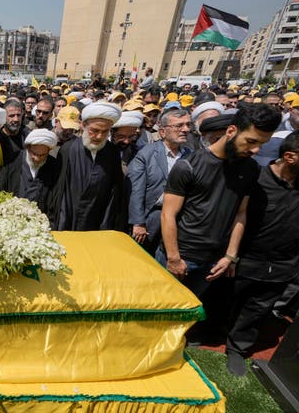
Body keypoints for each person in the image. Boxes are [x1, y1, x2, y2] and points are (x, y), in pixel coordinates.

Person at [158, 103, 282, 298]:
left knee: (192, 316)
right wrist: (174, 258)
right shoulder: (188, 166)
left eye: (261, 144)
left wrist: (230, 256)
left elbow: (240, 213)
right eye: (250, 141)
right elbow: (168, 214)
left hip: (214, 262)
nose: (256, 150)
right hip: (181, 258)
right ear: (231, 131)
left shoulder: (250, 168)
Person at [225, 133, 299, 376]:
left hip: (283, 264)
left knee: (258, 309)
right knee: (226, 302)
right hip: (245, 259)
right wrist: (231, 255)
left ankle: (237, 348)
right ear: (290, 157)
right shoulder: (256, 179)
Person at [127, 109, 192, 255]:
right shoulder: (147, 154)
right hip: (152, 217)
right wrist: (138, 222)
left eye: (188, 125)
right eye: (179, 126)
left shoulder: (191, 156)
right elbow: (136, 190)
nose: (185, 129)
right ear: (163, 132)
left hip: (180, 218)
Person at [57, 102, 124, 231]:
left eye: (105, 132)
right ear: (83, 125)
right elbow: (61, 193)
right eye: (95, 131)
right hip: (70, 221)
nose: (99, 137)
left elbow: (114, 193)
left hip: (99, 221)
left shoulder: (112, 152)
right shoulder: (68, 149)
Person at [0, 129, 61, 227]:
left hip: (40, 225)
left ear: (49, 151)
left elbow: (54, 202)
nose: (37, 159)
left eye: (42, 155)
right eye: (34, 154)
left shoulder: (53, 166)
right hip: (11, 223)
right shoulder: (12, 162)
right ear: (28, 148)